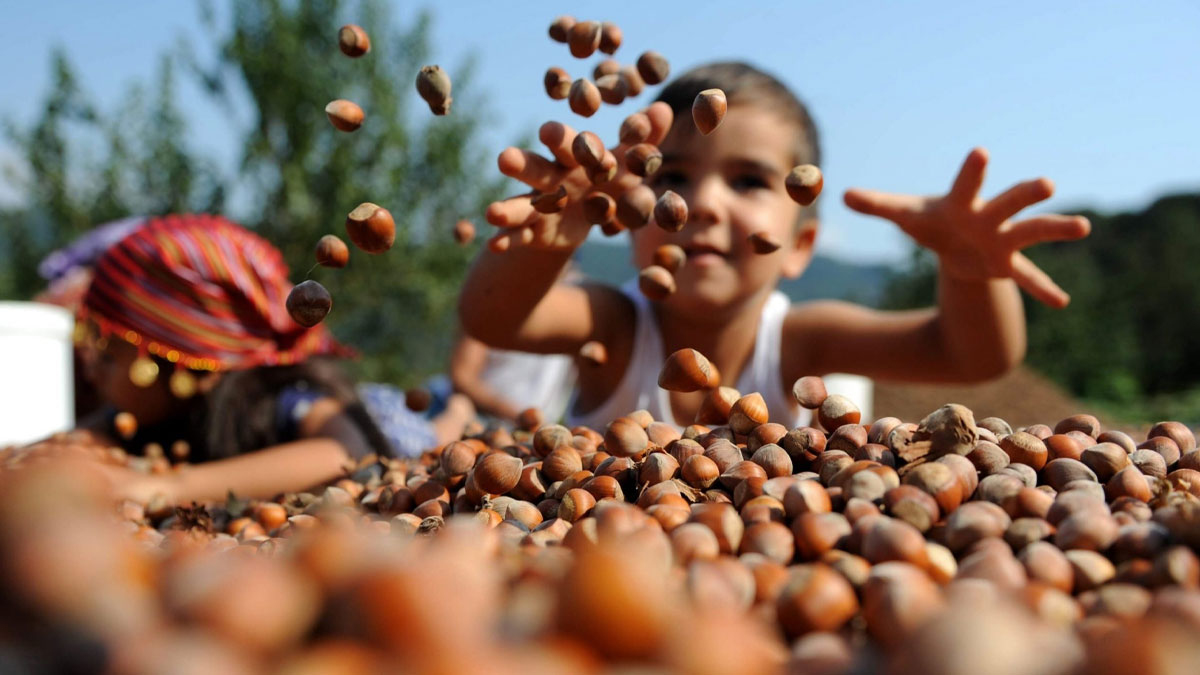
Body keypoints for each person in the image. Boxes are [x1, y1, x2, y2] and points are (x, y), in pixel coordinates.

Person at [459, 61, 1091, 430]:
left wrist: (969, 274)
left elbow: (971, 356)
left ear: (800, 246)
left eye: (749, 181)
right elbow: (493, 318)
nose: (704, 204)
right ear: (624, 218)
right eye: (673, 178)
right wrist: (546, 240)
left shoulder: (803, 342)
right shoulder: (617, 325)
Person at [22, 214, 466, 503]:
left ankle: (461, 400)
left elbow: (343, 452)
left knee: (441, 430)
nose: (90, 367)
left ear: (181, 359)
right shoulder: (140, 415)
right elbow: (91, 441)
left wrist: (166, 487)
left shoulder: (274, 400)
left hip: (385, 421)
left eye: (108, 353)